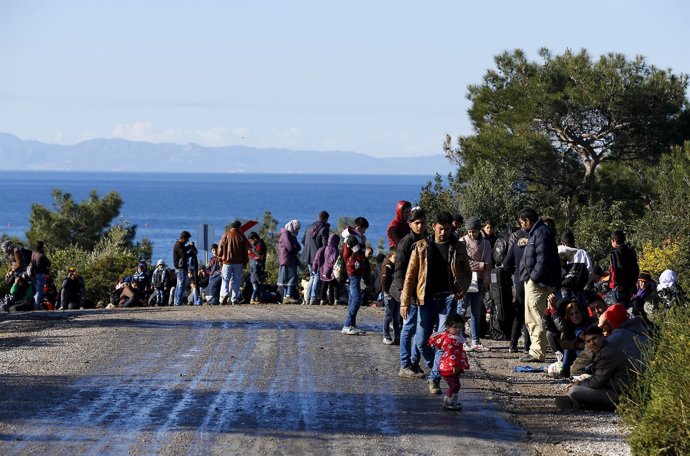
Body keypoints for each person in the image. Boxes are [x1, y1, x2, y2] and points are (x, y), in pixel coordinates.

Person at [401, 211, 472, 395]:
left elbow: (466, 271)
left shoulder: (457, 247)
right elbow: (410, 275)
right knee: (421, 342)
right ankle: (439, 367)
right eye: (441, 229)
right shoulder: (421, 247)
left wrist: (461, 289)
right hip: (425, 300)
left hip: (448, 299)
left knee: (443, 342)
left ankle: (434, 379)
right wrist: (404, 301)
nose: (444, 233)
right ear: (433, 227)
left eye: (447, 229)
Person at [517, 207, 560, 363]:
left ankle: (537, 352)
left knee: (535, 316)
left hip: (538, 282)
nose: (522, 226)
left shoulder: (541, 232)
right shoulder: (538, 232)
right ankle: (535, 349)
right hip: (534, 280)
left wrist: (533, 278)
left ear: (528, 220)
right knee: (531, 316)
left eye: (522, 223)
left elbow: (543, 259)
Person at [557, 325, 632, 410]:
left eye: (594, 338)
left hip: (619, 394)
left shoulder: (606, 353)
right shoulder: (606, 348)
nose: (592, 343)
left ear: (602, 337)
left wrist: (578, 384)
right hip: (611, 386)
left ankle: (590, 406)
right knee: (583, 378)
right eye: (588, 341)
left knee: (574, 391)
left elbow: (597, 382)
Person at [393, 207, 428, 378]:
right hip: (409, 292)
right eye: (416, 223)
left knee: (421, 328)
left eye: (422, 222)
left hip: (422, 292)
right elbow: (399, 270)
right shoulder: (406, 242)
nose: (420, 226)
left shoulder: (427, 240)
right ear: (410, 224)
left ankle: (413, 363)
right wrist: (403, 295)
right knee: (409, 327)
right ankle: (405, 365)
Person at [459, 217, 492, 351]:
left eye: (474, 231)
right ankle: (461, 339)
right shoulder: (462, 241)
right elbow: (463, 262)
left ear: (479, 230)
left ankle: (475, 340)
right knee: (461, 310)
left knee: (476, 312)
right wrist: (480, 265)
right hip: (465, 280)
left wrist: (486, 281)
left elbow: (488, 265)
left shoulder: (486, 244)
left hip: (478, 281)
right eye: (470, 231)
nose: (472, 234)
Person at [427, 313, 470, 410]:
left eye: (460, 327)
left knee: (455, 385)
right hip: (449, 367)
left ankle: (451, 401)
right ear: (448, 327)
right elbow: (451, 354)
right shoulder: (451, 340)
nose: (458, 329)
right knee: (454, 385)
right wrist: (454, 365)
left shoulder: (455, 338)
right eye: (455, 327)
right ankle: (448, 402)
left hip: (450, 366)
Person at [503, 223, 530, 353]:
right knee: (530, 314)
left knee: (519, 313)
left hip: (519, 279)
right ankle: (528, 346)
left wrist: (515, 274)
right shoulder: (535, 244)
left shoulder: (516, 244)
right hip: (531, 280)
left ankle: (513, 345)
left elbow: (506, 263)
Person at [341, 217, 369, 335]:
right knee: (357, 298)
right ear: (360, 227)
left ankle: (351, 324)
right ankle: (347, 325)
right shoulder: (353, 238)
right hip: (353, 270)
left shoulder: (354, 237)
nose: (365, 232)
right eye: (364, 229)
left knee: (353, 298)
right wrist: (364, 255)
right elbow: (358, 255)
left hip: (353, 269)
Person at [301, 211, 330, 305]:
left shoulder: (309, 227)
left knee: (312, 276)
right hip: (318, 256)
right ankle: (313, 298)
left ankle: (307, 298)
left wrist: (308, 248)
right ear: (326, 219)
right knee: (316, 276)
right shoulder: (324, 229)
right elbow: (325, 245)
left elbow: (303, 240)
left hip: (307, 255)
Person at [218, 220, 249, 305]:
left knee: (225, 280)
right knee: (236, 281)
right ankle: (234, 299)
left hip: (226, 262)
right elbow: (245, 251)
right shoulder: (241, 236)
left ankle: (224, 295)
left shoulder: (225, 235)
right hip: (238, 263)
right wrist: (246, 261)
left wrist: (220, 259)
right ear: (239, 227)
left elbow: (220, 248)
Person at [607, 230, 639, 308]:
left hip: (619, 288)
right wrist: (632, 284)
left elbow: (617, 269)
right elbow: (636, 269)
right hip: (629, 287)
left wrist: (618, 284)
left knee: (618, 311)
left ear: (614, 241)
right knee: (628, 310)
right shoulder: (630, 251)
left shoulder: (615, 253)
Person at [312, 233, 341, 305]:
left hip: (322, 270)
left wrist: (314, 269)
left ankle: (322, 299)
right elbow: (334, 260)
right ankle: (334, 300)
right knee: (334, 285)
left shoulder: (322, 249)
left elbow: (316, 259)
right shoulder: (335, 250)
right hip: (331, 271)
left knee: (324, 285)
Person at [278, 220, 302, 303]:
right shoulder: (286, 234)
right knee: (291, 277)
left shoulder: (290, 235)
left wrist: (295, 247)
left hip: (287, 258)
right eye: (296, 228)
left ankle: (285, 297)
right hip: (287, 259)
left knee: (286, 278)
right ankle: (288, 296)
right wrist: (295, 248)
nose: (297, 230)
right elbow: (291, 248)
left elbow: (298, 247)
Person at [380, 249, 399, 345]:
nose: (396, 259)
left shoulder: (395, 266)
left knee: (396, 317)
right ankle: (386, 336)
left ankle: (397, 336)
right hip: (389, 295)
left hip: (396, 295)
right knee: (388, 316)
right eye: (395, 257)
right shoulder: (386, 266)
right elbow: (383, 280)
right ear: (390, 256)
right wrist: (386, 292)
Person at [172, 231, 192, 306]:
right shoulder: (178, 245)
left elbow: (184, 250)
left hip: (180, 268)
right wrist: (191, 253)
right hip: (180, 268)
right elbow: (184, 255)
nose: (187, 241)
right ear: (183, 238)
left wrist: (189, 246)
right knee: (181, 285)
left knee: (178, 285)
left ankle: (176, 301)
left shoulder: (180, 245)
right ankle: (178, 302)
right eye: (187, 239)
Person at [31, 240, 51, 310]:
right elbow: (49, 263)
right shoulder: (41, 255)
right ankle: (36, 306)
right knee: (39, 291)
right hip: (40, 274)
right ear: (41, 247)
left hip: (34, 274)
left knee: (35, 290)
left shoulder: (33, 253)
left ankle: (35, 305)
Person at [248, 232, 267, 304]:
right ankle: (258, 298)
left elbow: (259, 257)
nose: (250, 242)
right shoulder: (256, 245)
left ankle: (254, 298)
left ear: (255, 238)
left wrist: (250, 254)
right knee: (257, 283)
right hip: (255, 268)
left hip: (258, 267)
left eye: (251, 240)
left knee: (257, 282)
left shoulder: (260, 245)